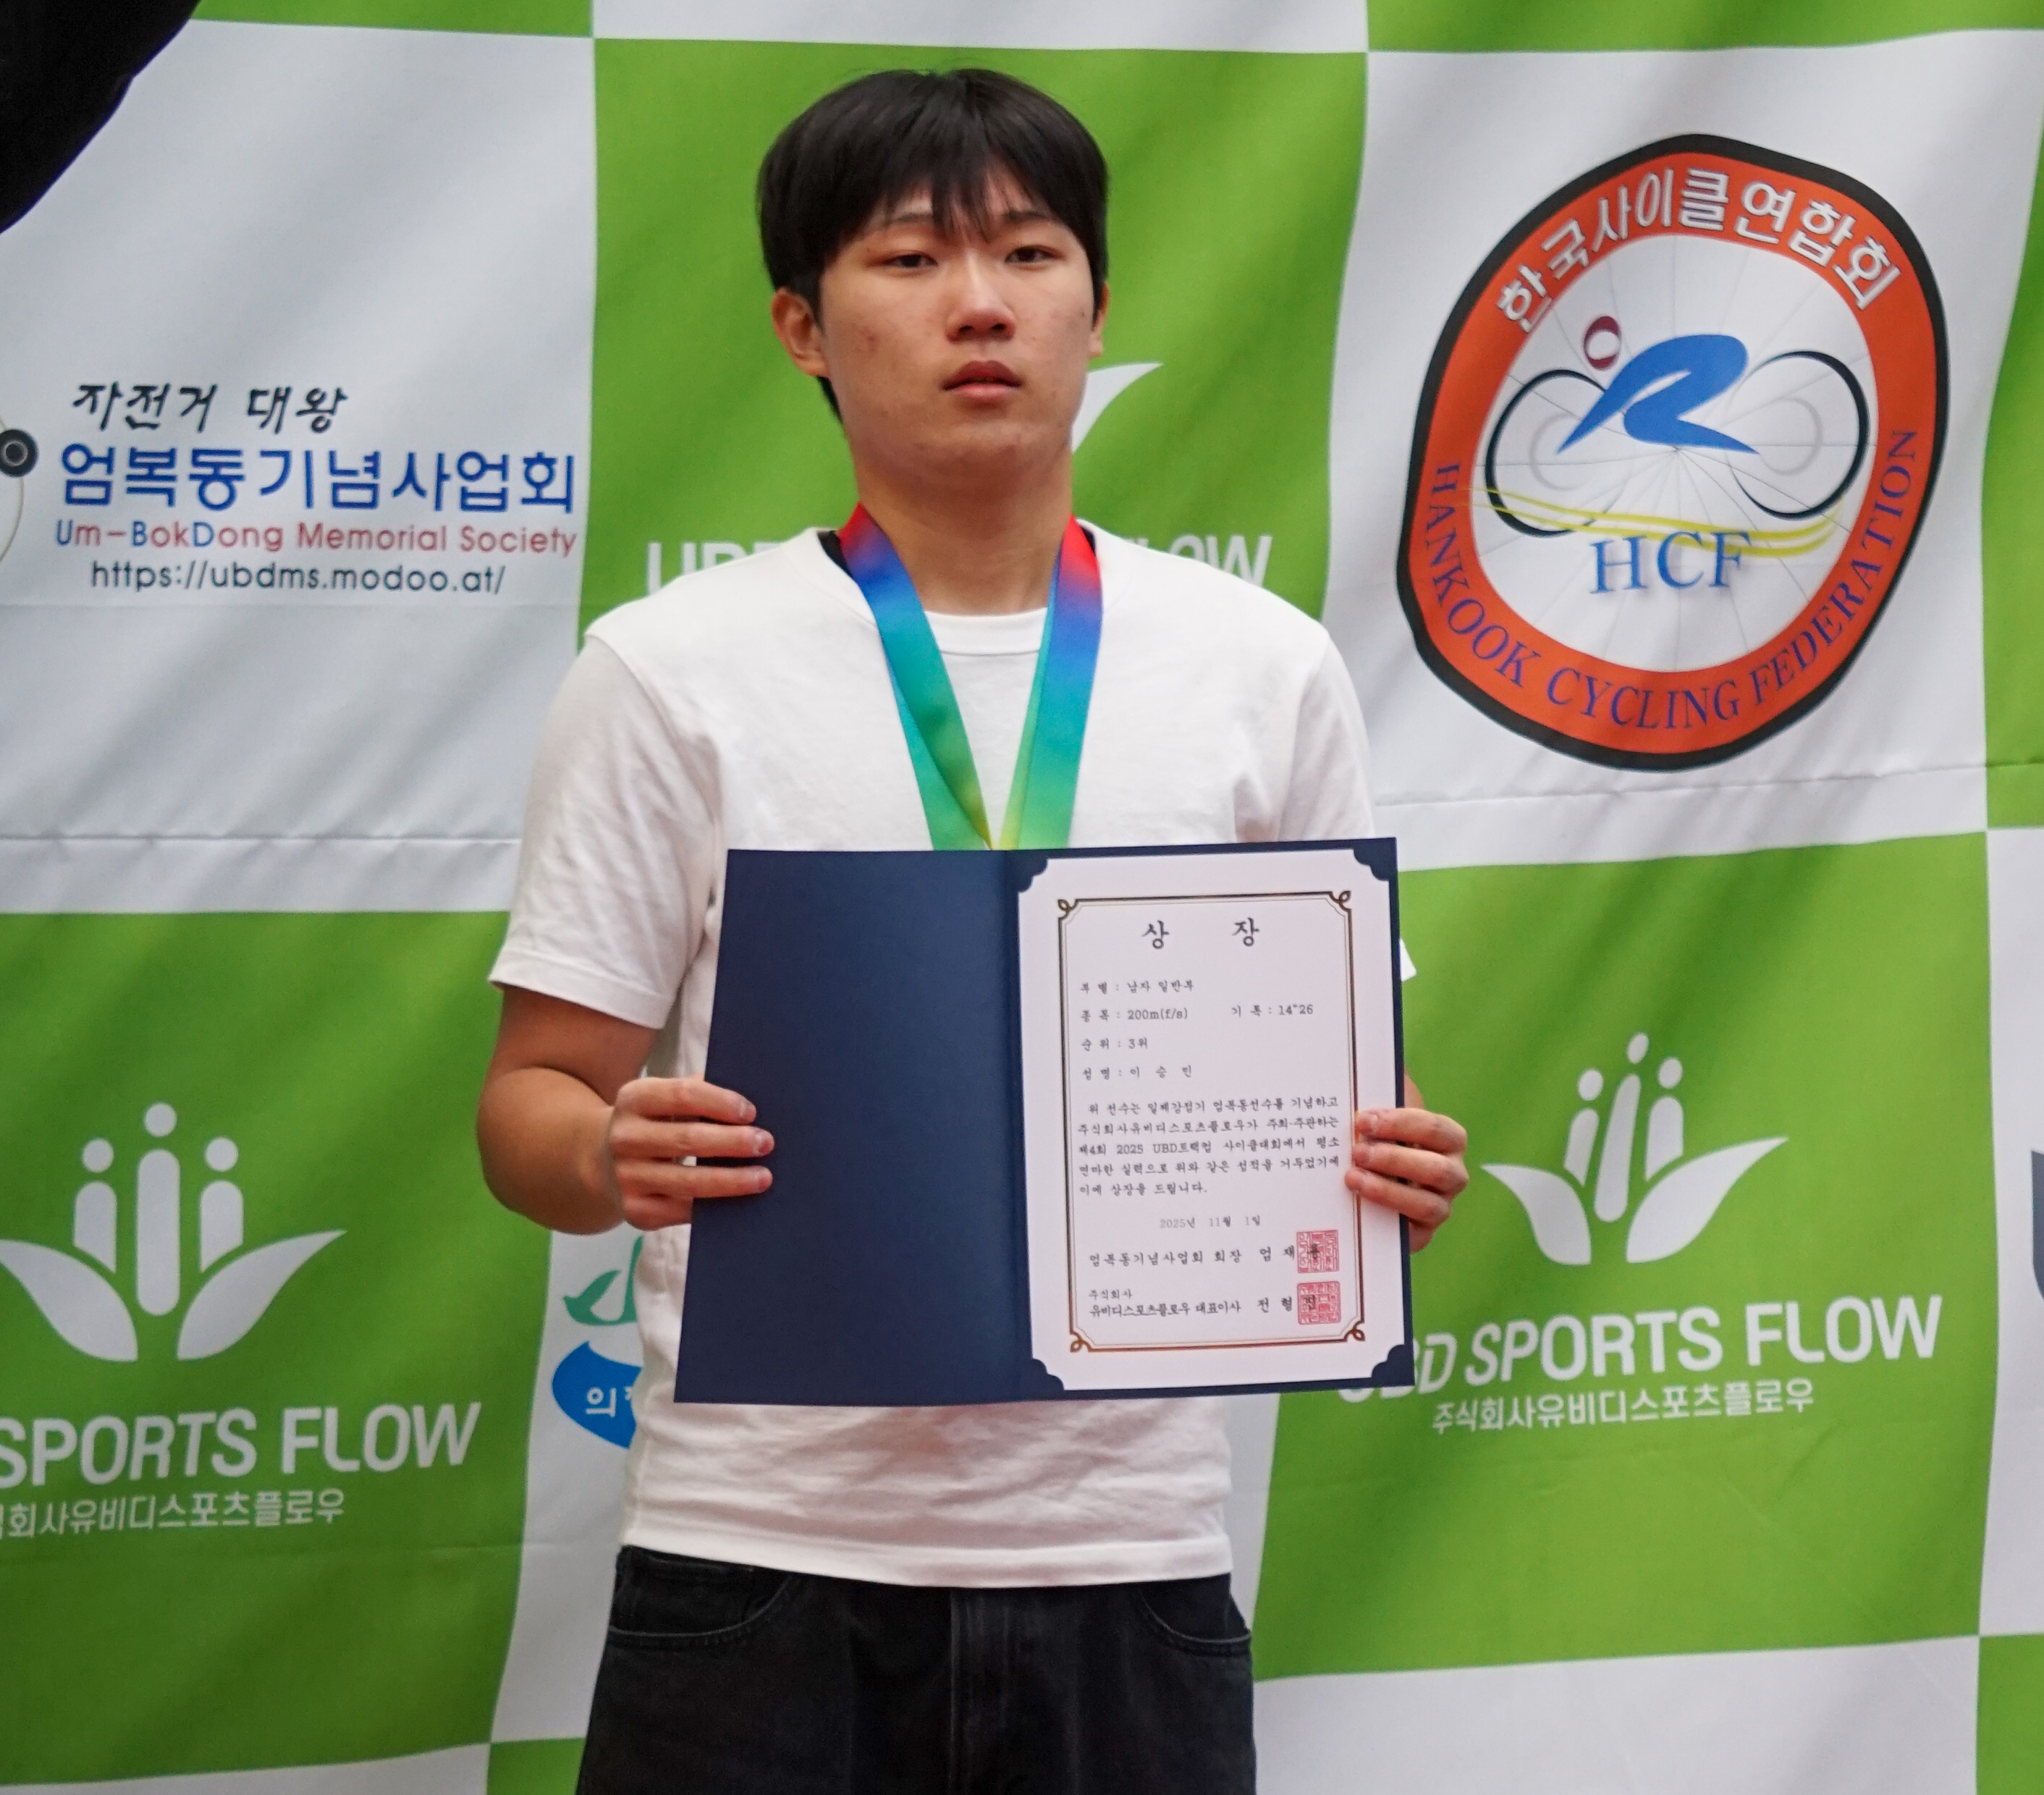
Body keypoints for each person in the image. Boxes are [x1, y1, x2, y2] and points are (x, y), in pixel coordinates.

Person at [476, 67, 1470, 1794]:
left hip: (1131, 1562)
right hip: (759, 1560)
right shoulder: (668, 669)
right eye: (908, 259)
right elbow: (528, 1106)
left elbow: (1345, 1093)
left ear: (1098, 305)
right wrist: (606, 1149)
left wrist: (1386, 1173)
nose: (980, 304)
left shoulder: (1260, 667)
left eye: (1025, 251)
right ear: (801, 324)